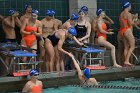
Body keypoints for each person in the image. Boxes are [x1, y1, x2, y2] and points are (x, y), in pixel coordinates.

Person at [119, 1, 140, 66]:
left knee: (126, 47)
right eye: (130, 6)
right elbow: (131, 24)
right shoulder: (128, 14)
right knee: (132, 46)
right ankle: (127, 61)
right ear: (128, 6)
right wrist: (136, 21)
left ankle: (126, 63)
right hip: (127, 30)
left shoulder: (121, 14)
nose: (131, 7)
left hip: (122, 31)